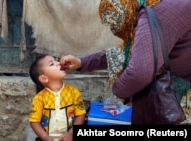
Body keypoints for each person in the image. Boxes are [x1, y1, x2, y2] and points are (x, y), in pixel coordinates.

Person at [60, 0, 191, 124]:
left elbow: (139, 73)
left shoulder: (153, 15)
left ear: (124, 13)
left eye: (115, 24)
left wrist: (120, 92)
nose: (114, 30)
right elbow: (133, 52)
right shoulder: (156, 5)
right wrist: (82, 62)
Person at [29, 54, 86, 141]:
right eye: (52, 64)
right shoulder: (39, 98)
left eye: (56, 60)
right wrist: (45, 137)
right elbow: (34, 121)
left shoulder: (74, 92)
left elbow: (80, 115)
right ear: (44, 78)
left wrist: (71, 133)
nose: (58, 63)